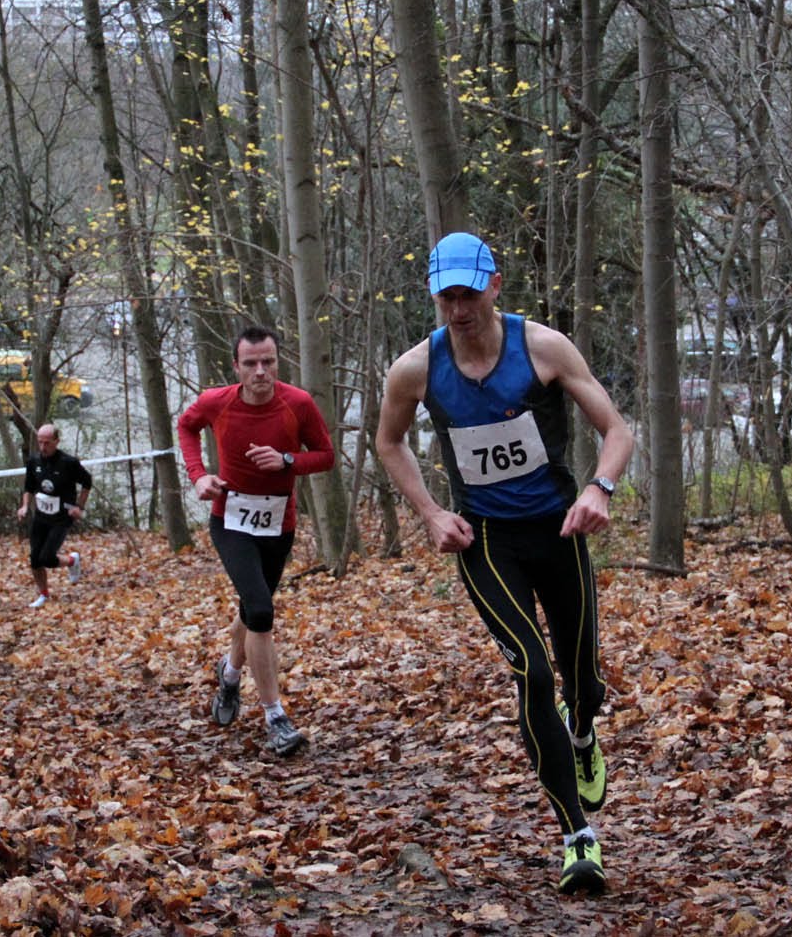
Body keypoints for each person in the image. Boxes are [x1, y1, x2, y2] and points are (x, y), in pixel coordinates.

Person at [375, 231, 634, 895]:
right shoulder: (416, 368)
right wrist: (432, 512)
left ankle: (582, 732)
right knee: (532, 670)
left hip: (559, 528)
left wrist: (599, 489)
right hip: (485, 541)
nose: (459, 309)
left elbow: (617, 429)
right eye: (447, 297)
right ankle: (577, 835)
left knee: (583, 681)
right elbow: (389, 441)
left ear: (495, 285)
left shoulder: (543, 347)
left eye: (469, 293)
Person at [177, 326, 337, 756]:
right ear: (236, 367)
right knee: (262, 610)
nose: (261, 371)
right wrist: (199, 476)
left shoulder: (298, 403)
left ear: (278, 362)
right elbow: (186, 427)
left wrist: (287, 460)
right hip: (230, 522)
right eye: (251, 363)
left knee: (252, 609)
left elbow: (325, 456)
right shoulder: (216, 401)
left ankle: (230, 675)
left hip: (278, 526)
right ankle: (275, 718)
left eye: (268, 361)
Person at [16, 423, 92, 608]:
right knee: (35, 559)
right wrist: (24, 506)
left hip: (62, 517)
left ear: (56, 441)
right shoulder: (34, 461)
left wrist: (79, 507)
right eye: (40, 442)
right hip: (41, 516)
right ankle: (43, 594)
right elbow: (28, 487)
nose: (43, 447)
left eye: (47, 443)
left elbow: (87, 482)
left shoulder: (69, 462)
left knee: (48, 558)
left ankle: (72, 560)